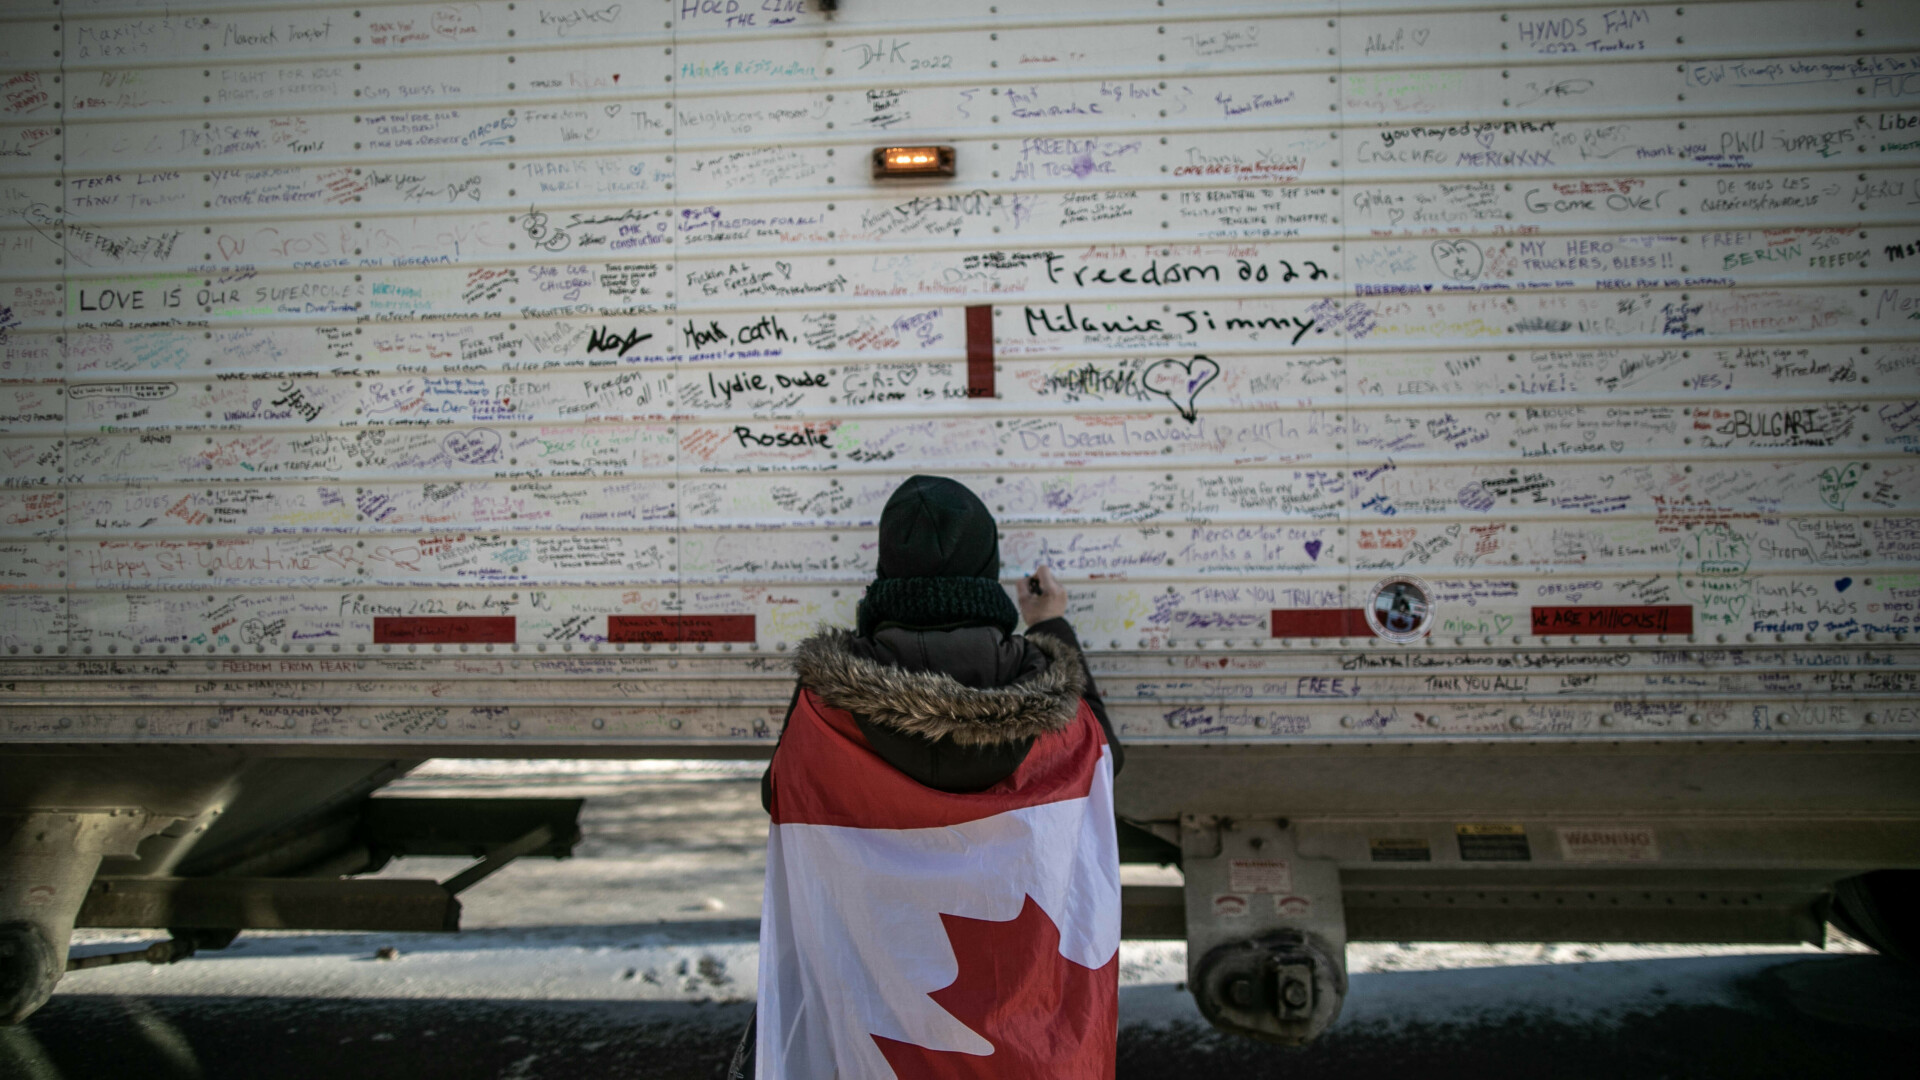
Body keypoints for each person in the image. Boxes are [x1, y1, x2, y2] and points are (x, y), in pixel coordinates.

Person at [750, 475, 1123, 1079]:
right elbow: (1101, 761)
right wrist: (1051, 627)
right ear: (988, 568)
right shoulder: (1048, 693)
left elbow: (781, 793)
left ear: (886, 573)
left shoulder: (825, 703)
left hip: (874, 1040)